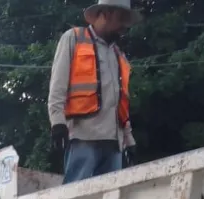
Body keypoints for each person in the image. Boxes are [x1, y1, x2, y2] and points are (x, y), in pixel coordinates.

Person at [47, 0, 141, 184]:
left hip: (114, 142)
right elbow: (58, 84)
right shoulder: (73, 38)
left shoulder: (118, 55)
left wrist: (129, 140)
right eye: (120, 18)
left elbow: (120, 103)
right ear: (105, 13)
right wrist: (57, 122)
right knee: (75, 197)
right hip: (84, 135)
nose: (123, 26)